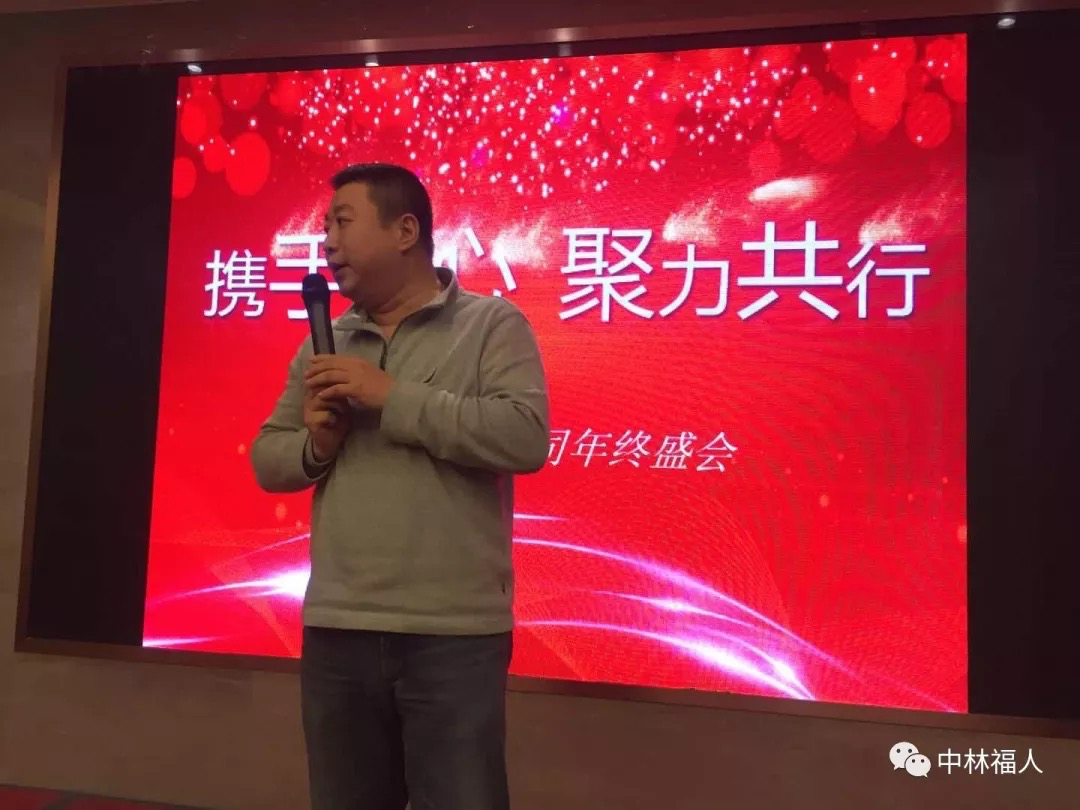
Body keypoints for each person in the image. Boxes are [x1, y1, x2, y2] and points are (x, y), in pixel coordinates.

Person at [249, 163, 550, 810]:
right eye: (325, 226)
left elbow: (524, 437)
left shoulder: (491, 325)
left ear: (405, 231)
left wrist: (394, 398)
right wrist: (317, 446)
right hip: (339, 627)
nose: (327, 241)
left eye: (342, 222)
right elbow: (268, 459)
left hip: (454, 635)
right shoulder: (326, 343)